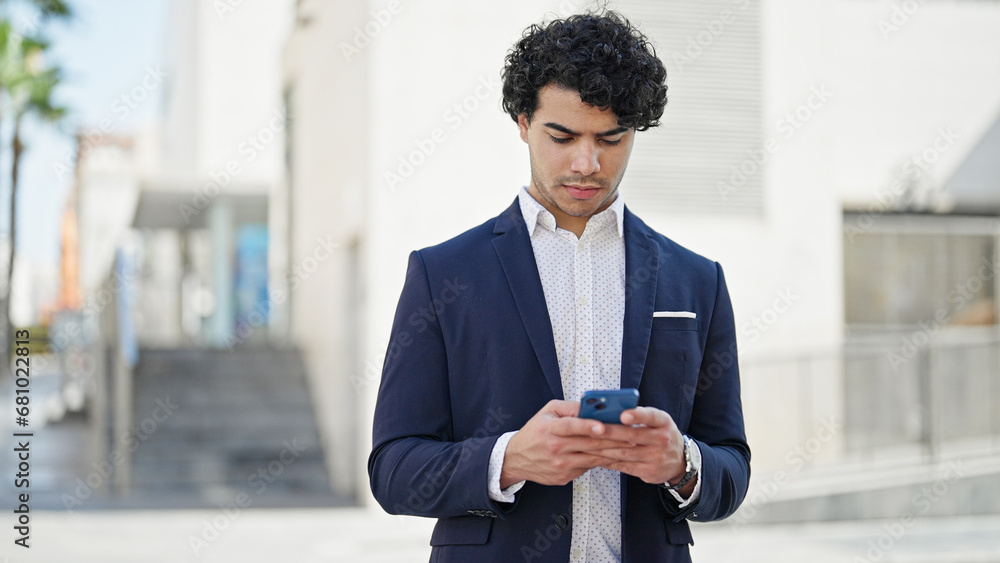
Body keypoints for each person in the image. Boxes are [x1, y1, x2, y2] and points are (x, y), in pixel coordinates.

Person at [369, 10, 750, 562]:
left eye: (611, 138)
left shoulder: (696, 280)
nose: (586, 163)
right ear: (523, 122)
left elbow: (732, 469)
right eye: (562, 135)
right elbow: (393, 469)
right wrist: (510, 459)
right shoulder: (443, 274)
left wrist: (682, 463)